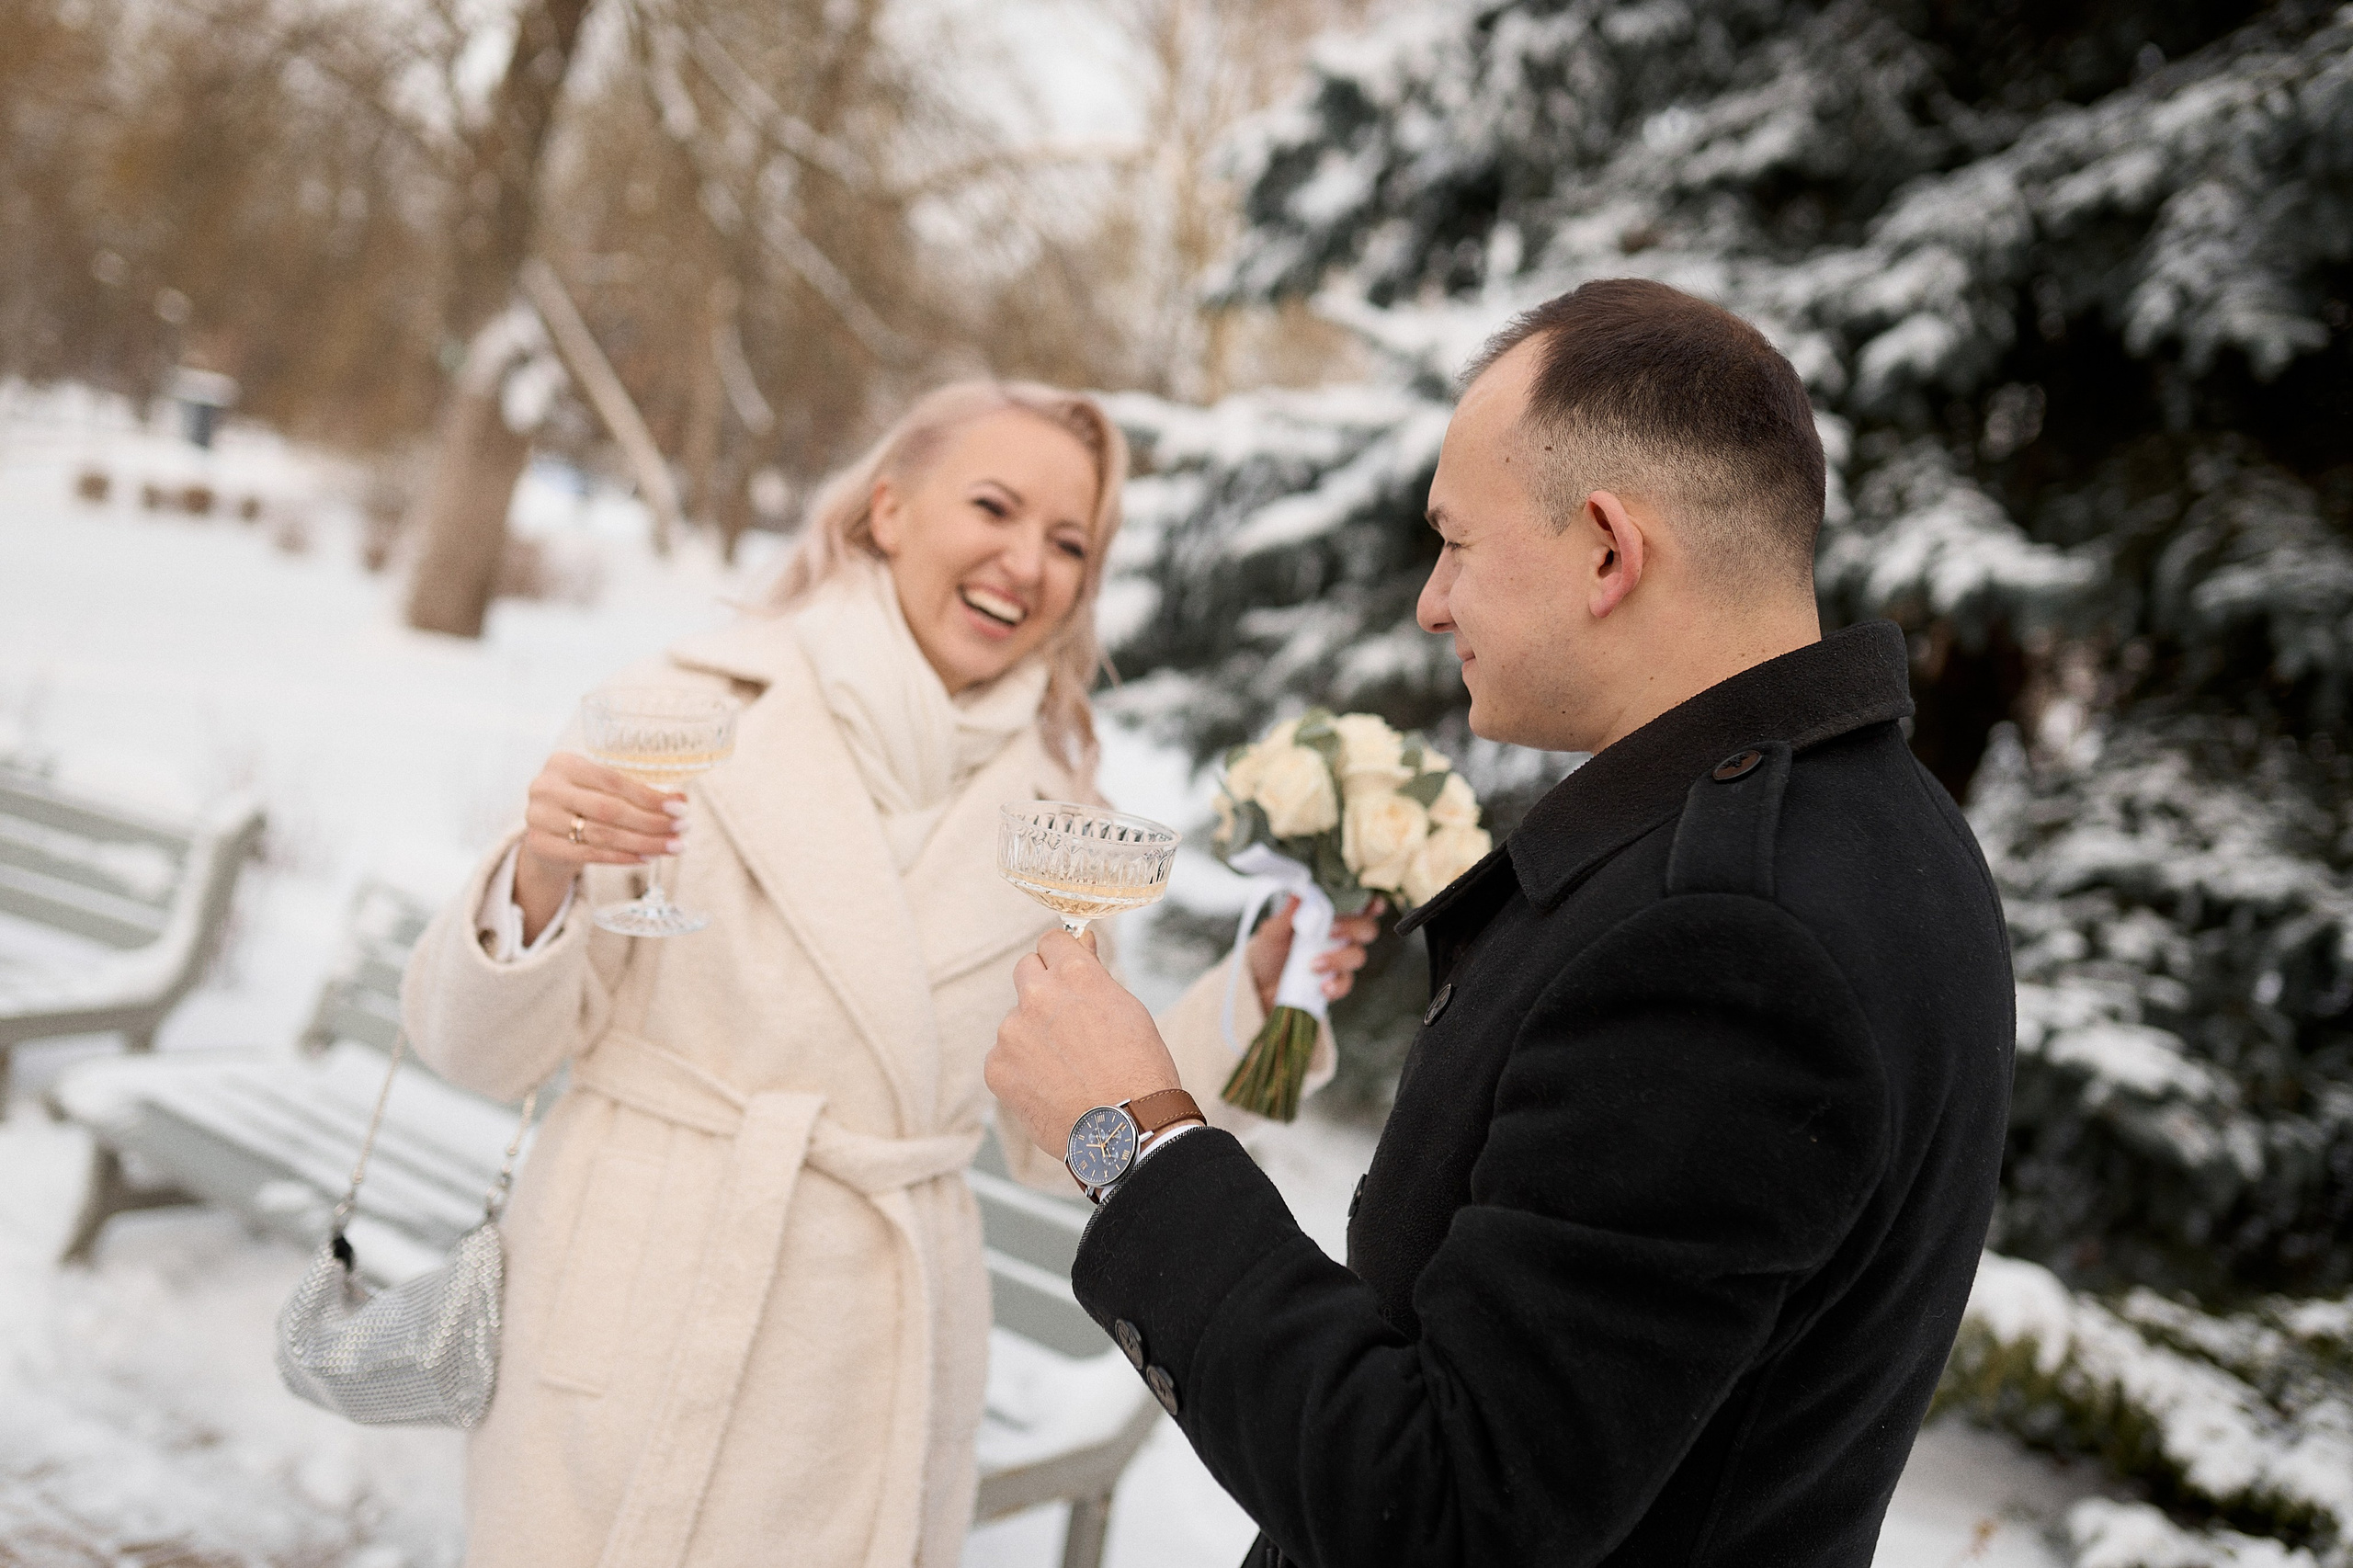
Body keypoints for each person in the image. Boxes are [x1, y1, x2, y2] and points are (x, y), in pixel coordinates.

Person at [987, 279, 2016, 1566]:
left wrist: (1134, 1140)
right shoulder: (1885, 827)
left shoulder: (1729, 937)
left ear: (1608, 551)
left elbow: (1449, 1512)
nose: (1432, 602)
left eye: (1457, 544)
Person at [398, 380, 1377, 1568]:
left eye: (1070, 543)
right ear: (889, 509)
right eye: (994, 508)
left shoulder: (1060, 817)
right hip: (628, 1306)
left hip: (861, 1372)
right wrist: (541, 869)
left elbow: (1060, 1137)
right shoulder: (683, 707)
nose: (1028, 564)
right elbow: (477, 1051)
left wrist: (1253, 996)